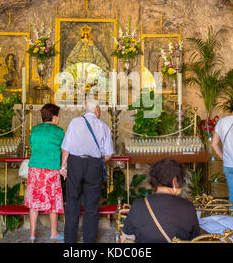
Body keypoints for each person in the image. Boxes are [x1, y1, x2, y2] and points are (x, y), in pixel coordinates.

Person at [60, 98, 114, 243]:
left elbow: (66, 148)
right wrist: (96, 162)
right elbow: (109, 154)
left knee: (72, 203)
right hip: (94, 165)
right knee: (91, 205)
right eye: (100, 109)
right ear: (96, 110)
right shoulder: (104, 126)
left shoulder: (74, 122)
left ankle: (70, 241)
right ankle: (89, 241)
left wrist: (63, 167)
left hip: (75, 163)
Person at [120, 158, 200, 243]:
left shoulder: (138, 205)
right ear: (174, 181)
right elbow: (195, 239)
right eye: (182, 181)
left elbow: (126, 238)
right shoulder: (188, 207)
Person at [24, 103, 65, 243]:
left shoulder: (35, 130)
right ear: (54, 117)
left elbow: (32, 144)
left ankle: (32, 235)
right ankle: (53, 233)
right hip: (51, 169)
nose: (58, 118)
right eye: (58, 116)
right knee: (52, 202)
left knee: (34, 202)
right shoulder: (59, 132)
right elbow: (65, 148)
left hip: (35, 169)